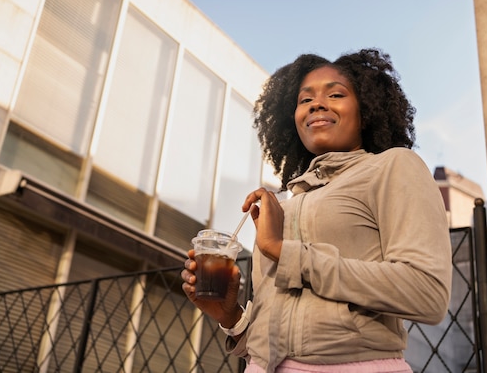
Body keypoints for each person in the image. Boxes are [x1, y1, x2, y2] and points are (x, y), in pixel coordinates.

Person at [181, 48, 452, 373]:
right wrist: (231, 316)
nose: (316, 104)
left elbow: (428, 294)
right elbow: (274, 342)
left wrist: (286, 252)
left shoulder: (393, 167)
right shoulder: (283, 207)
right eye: (304, 100)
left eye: (336, 94)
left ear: (366, 110)